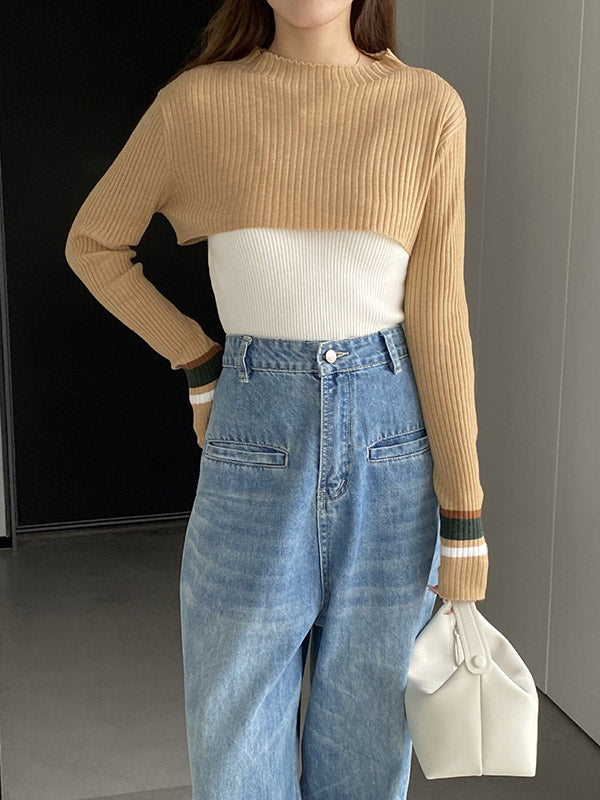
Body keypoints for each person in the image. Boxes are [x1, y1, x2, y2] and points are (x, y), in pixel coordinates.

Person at [64, 1, 489, 797]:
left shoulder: (426, 107)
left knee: (368, 744)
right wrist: (197, 358)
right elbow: (94, 243)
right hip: (253, 444)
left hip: (392, 456)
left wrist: (464, 515)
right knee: (236, 747)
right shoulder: (198, 104)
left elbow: (439, 315)